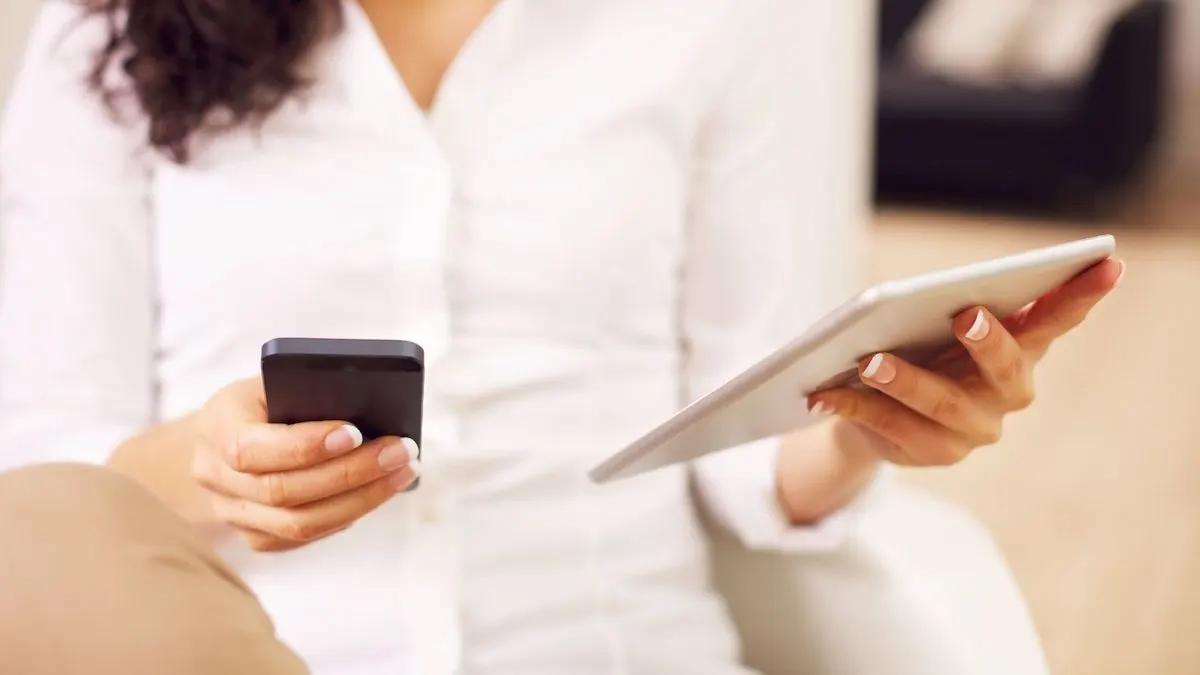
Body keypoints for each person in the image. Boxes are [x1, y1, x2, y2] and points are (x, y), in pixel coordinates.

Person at [0, 1, 1121, 674]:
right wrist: (207, 467)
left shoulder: (724, 18)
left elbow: (748, 446)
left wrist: (872, 425)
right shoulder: (102, 29)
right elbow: (42, 473)